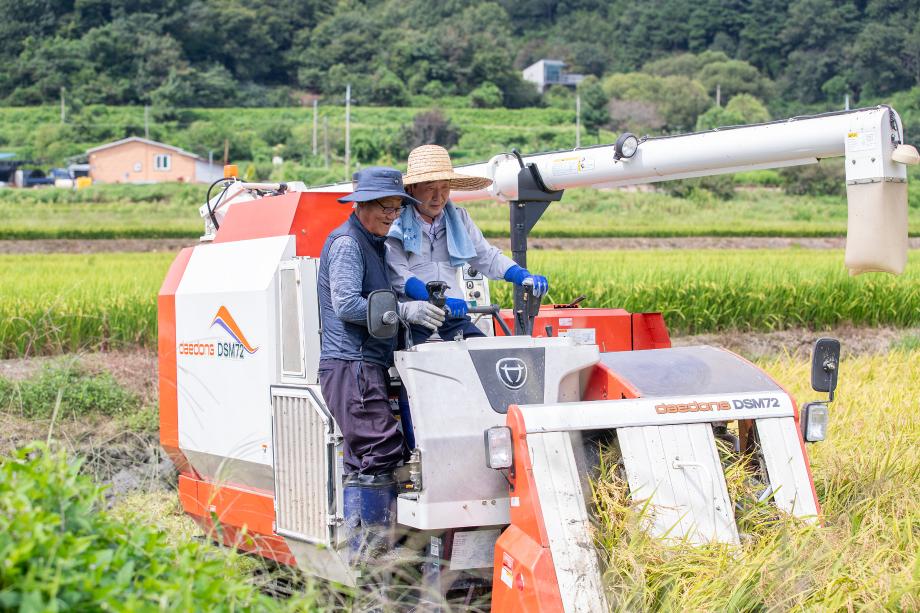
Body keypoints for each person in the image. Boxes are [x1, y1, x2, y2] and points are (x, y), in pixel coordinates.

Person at [317, 166, 445, 565]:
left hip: (363, 364)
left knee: (364, 457)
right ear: (362, 205)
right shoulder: (347, 245)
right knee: (381, 451)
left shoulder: (374, 243)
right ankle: (377, 562)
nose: (392, 215)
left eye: (396, 208)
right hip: (350, 363)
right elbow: (347, 304)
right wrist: (404, 311)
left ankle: (368, 563)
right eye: (385, 207)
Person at [386, 144, 549, 346]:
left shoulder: (459, 219)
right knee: (423, 364)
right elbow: (399, 274)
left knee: (482, 354)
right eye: (430, 189)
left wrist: (521, 275)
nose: (438, 197)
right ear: (411, 189)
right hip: (415, 316)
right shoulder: (396, 223)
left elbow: (486, 256)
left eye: (444, 187)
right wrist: (434, 299)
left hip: (453, 318)